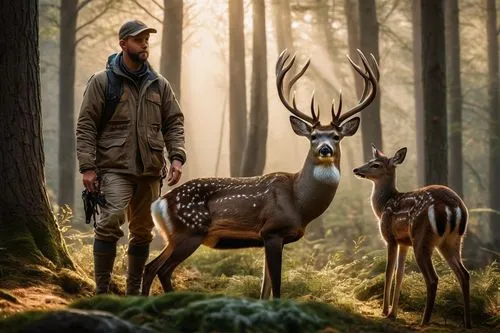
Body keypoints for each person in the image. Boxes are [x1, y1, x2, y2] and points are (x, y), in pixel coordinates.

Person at [76, 19, 186, 295]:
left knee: (143, 231)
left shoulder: (159, 85)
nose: (145, 43)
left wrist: (176, 157)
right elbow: (86, 124)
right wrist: (88, 167)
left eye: (147, 39)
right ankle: (102, 292)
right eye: (139, 39)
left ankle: (134, 293)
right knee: (110, 221)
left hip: (149, 171)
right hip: (114, 169)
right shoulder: (102, 82)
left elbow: (174, 122)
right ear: (123, 44)